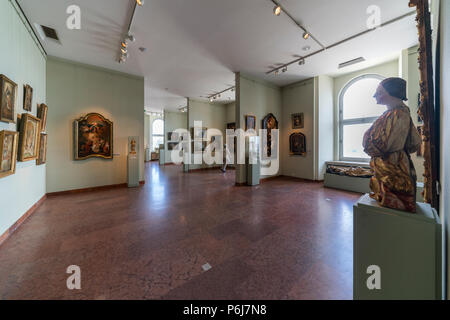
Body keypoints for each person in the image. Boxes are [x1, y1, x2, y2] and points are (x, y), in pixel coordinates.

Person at [363, 77, 422, 213]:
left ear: (392, 93)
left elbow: (386, 144)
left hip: (393, 165)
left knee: (396, 196)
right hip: (386, 164)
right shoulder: (390, 113)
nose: (375, 95)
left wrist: (369, 143)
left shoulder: (400, 113)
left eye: (379, 92)